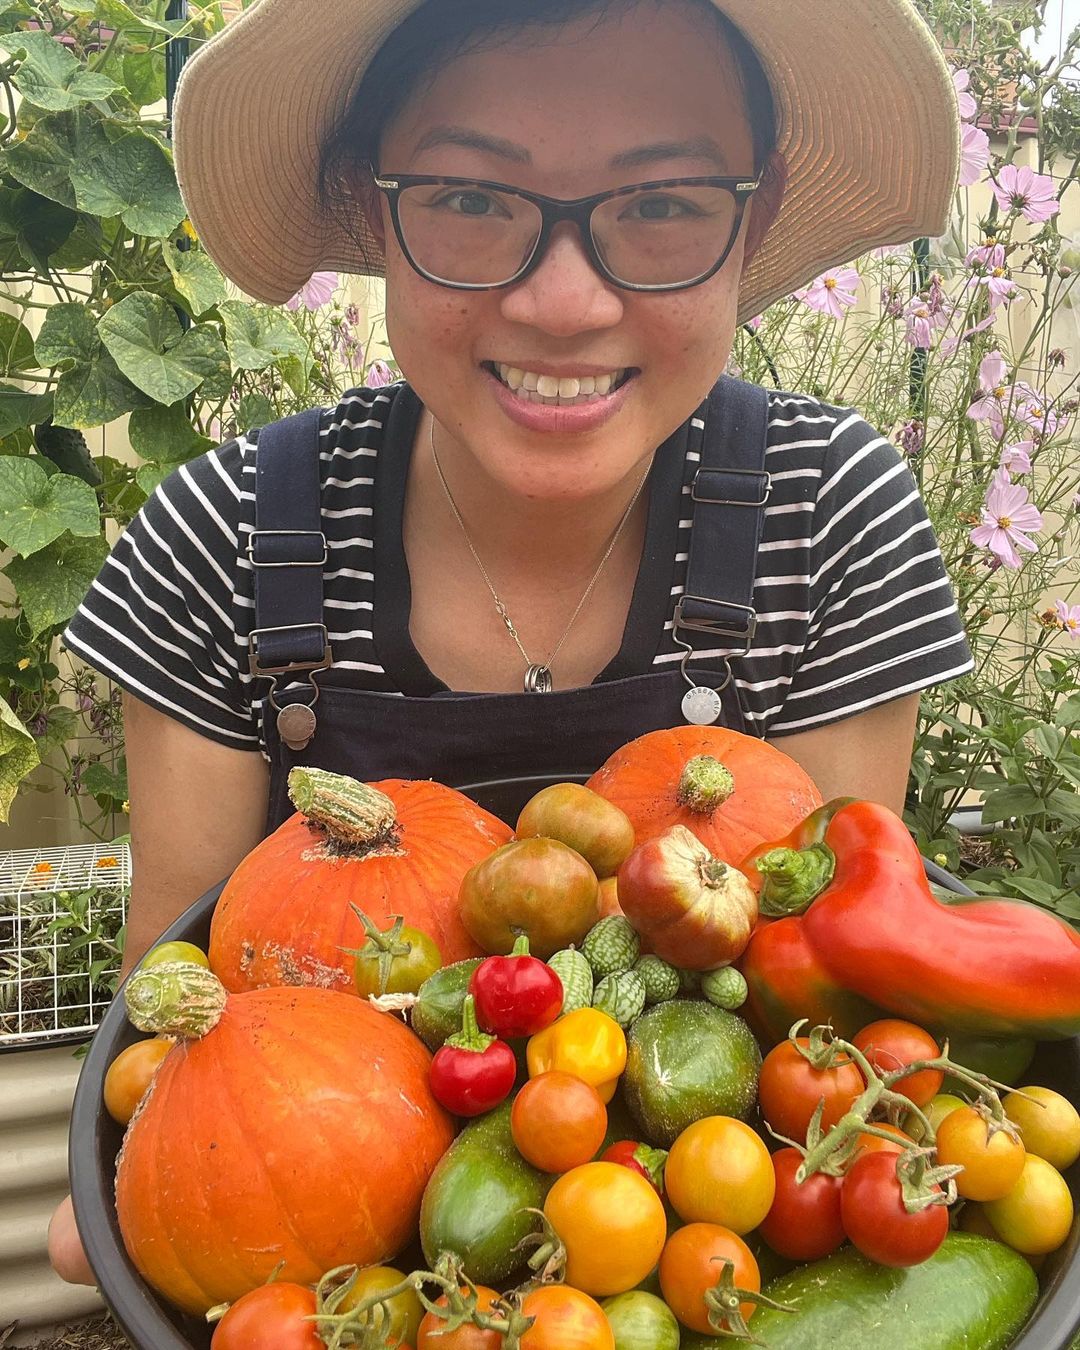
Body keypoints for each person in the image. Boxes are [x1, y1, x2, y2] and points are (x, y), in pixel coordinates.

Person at [49, 0, 972, 1284]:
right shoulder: (230, 536)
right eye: (471, 200)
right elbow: (169, 1022)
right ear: (375, 219)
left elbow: (837, 1022)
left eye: (661, 204)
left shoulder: (827, 514)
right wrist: (136, 1190)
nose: (563, 299)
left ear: (750, 230)